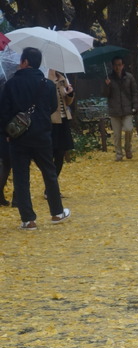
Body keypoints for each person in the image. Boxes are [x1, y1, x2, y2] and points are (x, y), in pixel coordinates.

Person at [0, 46, 70, 229]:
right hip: (42, 135)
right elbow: (53, 106)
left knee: (21, 177)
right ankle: (57, 212)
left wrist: (7, 133)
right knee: (49, 172)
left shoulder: (11, 84)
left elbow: (3, 111)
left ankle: (28, 219)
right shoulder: (47, 84)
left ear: (25, 62)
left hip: (18, 137)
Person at [104, 56, 138, 161]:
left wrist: (135, 106)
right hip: (114, 110)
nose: (117, 67)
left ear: (123, 65)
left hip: (127, 109)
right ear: (112, 66)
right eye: (115, 65)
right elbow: (106, 94)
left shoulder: (129, 77)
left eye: (119, 65)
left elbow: (135, 93)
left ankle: (128, 147)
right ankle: (119, 154)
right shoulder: (108, 78)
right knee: (117, 134)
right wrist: (107, 86)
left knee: (129, 129)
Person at [49, 70, 75, 178]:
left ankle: (52, 184)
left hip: (63, 119)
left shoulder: (62, 79)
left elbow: (68, 102)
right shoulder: (46, 80)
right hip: (52, 121)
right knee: (51, 154)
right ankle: (51, 185)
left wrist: (70, 94)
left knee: (61, 153)